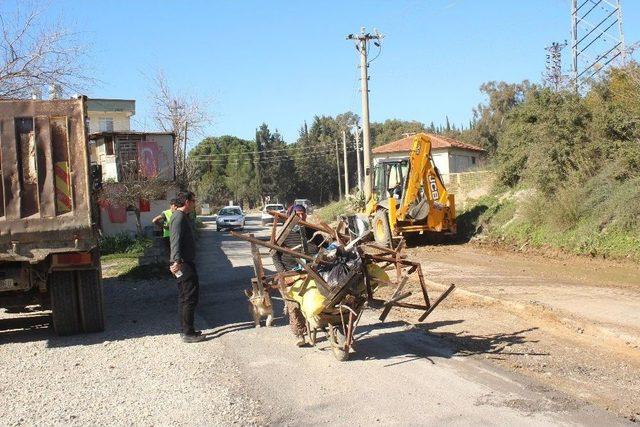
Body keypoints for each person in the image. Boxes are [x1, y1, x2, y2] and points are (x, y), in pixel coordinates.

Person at [272, 204, 321, 347]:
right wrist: (284, 274)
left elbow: (324, 245)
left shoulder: (311, 230)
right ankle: (300, 333)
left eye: (303, 214)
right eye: (297, 214)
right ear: (290, 216)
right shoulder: (283, 233)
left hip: (312, 271)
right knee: (294, 304)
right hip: (291, 272)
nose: (301, 217)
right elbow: (275, 256)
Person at [169, 191, 205, 343]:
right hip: (183, 263)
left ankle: (187, 330)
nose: (194, 203)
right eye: (193, 200)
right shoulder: (178, 217)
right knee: (188, 297)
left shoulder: (182, 216)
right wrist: (176, 261)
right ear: (187, 202)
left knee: (187, 297)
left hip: (185, 262)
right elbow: (175, 240)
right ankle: (188, 333)